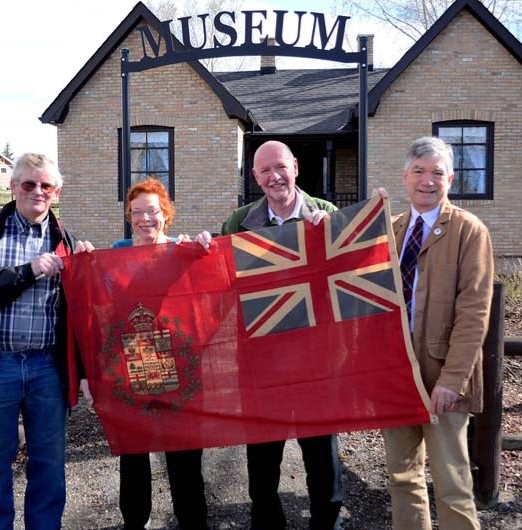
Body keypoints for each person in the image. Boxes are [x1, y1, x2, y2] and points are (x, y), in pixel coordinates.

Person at [195, 140, 343, 530]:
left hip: (315, 359)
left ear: (295, 167)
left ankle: (326, 523)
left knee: (321, 455)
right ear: (256, 178)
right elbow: (219, 283)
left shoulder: (325, 214)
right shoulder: (240, 222)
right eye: (265, 171)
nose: (274, 176)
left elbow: (350, 272)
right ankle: (266, 523)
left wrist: (334, 238)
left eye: (280, 167)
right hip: (261, 360)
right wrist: (197, 252)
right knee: (262, 456)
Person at [0, 153, 93, 530]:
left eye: (46, 185)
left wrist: (89, 266)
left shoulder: (67, 242)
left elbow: (83, 308)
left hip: (47, 368)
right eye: (28, 184)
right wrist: (28, 271)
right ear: (13, 188)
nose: (37, 192)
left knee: (49, 467)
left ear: (56, 191)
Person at [81, 177, 209, 530]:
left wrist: (202, 253)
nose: (144, 219)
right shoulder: (115, 254)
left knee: (184, 458)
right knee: (134, 457)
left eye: (152, 211)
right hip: (130, 370)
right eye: (136, 212)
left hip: (178, 371)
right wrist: (84, 263)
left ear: (165, 214)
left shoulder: (182, 252)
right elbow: (96, 307)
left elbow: (206, 297)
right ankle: (134, 523)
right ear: (129, 216)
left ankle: (193, 522)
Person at [383, 136, 494, 530]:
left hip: (442, 374)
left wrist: (452, 379)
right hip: (397, 374)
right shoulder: (391, 231)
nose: (427, 181)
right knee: (402, 475)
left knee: (452, 481)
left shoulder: (468, 230)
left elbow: (474, 312)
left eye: (437, 173)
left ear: (451, 178)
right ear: (405, 176)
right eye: (419, 171)